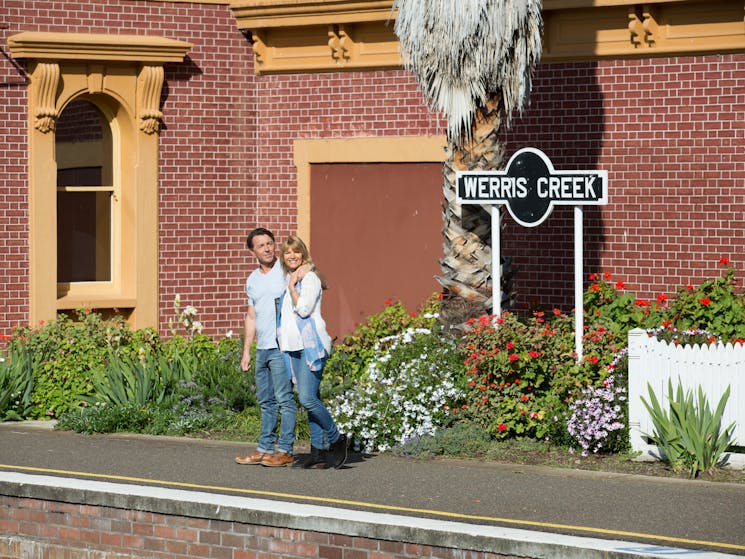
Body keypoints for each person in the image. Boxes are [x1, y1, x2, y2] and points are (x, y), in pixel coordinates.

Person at [277, 235, 347, 469]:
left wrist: (291, 288)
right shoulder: (290, 277)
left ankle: (336, 439)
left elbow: (305, 309)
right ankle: (318, 451)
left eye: (296, 252)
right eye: (287, 253)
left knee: (306, 398)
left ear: (303, 254)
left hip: (311, 346)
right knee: (310, 399)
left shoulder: (310, 279)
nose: (292, 256)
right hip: (294, 346)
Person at [235, 228, 300, 467]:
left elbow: (306, 268)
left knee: (284, 400)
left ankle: (285, 450)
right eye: (261, 245)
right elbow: (251, 316)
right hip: (262, 349)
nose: (267, 248)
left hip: (281, 347)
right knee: (265, 401)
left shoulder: (285, 270)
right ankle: (264, 448)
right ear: (252, 251)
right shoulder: (252, 280)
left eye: (270, 244)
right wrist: (246, 351)